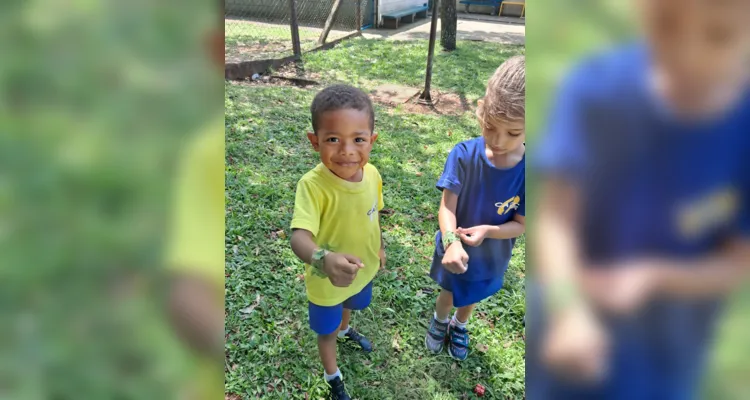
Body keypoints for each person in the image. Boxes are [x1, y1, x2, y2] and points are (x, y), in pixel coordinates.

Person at [529, 0, 750, 399]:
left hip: (671, 350)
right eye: (667, 25)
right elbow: (556, 217)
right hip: (568, 332)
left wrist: (653, 277)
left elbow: (739, 257)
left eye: (720, 35)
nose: (688, 55)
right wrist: (567, 308)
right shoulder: (596, 90)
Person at [424, 56, 526, 361]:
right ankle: (440, 321)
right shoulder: (463, 155)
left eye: (513, 133)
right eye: (491, 127)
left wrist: (488, 231)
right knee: (449, 293)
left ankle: (460, 324)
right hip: (455, 250)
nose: (498, 140)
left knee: (474, 295)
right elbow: (446, 208)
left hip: (493, 254)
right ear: (481, 108)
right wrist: (451, 242)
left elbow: (522, 223)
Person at [290, 84, 386, 400]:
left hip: (363, 269)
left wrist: (380, 246)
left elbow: (374, 214)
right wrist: (323, 259)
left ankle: (346, 329)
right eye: (333, 139)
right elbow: (299, 237)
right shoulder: (313, 186)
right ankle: (333, 376)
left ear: (371, 141)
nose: (346, 151)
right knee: (326, 331)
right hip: (325, 282)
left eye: (358, 139)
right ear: (314, 141)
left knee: (353, 303)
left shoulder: (372, 174)